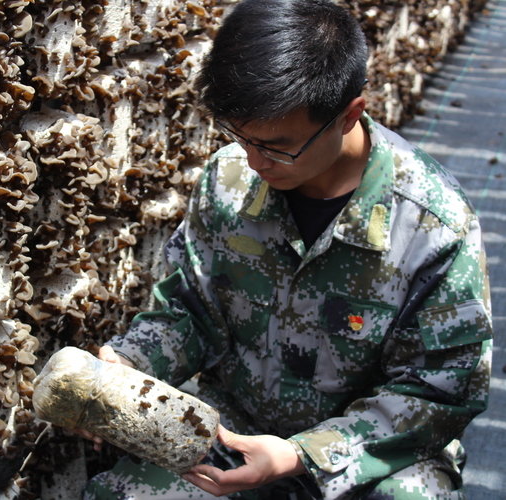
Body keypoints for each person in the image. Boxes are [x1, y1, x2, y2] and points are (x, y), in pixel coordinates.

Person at [80, 0, 493, 498]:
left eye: (277, 146)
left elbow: (439, 389)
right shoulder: (228, 179)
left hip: (366, 454)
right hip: (235, 434)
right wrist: (129, 364)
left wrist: (302, 455)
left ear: (348, 116)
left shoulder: (433, 225)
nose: (254, 161)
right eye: (242, 138)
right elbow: (189, 312)